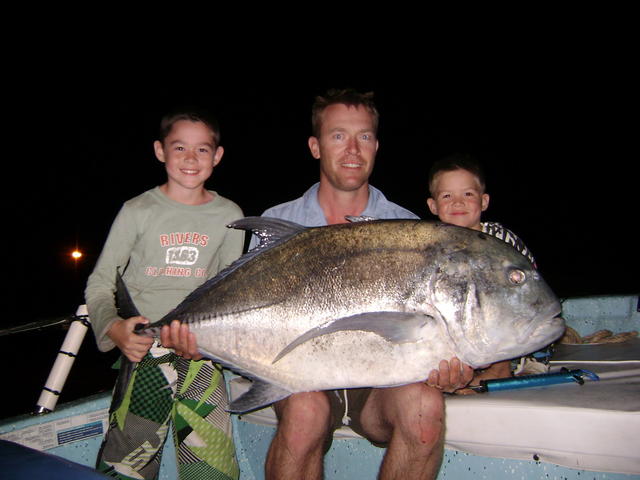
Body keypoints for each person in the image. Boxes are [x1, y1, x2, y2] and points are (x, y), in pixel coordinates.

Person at [252, 89, 474, 480]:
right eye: (338, 135)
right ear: (315, 146)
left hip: (379, 382)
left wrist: (451, 361)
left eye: (364, 136)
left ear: (377, 145)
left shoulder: (408, 229)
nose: (353, 149)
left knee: (425, 408)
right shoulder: (278, 222)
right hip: (302, 372)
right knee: (306, 412)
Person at [85, 107, 244, 480]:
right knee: (127, 468)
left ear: (217, 156)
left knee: (212, 473)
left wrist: (211, 341)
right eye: (179, 148)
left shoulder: (231, 215)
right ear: (160, 151)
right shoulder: (137, 211)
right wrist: (115, 329)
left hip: (202, 357)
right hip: (144, 356)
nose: (191, 159)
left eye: (202, 150)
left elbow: (228, 294)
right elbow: (99, 281)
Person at [426, 152, 537, 384]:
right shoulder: (430, 245)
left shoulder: (502, 240)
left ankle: (499, 369)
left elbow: (528, 302)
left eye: (468, 193)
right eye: (447, 196)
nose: (458, 202)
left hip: (517, 347)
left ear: (484, 201)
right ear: (433, 205)